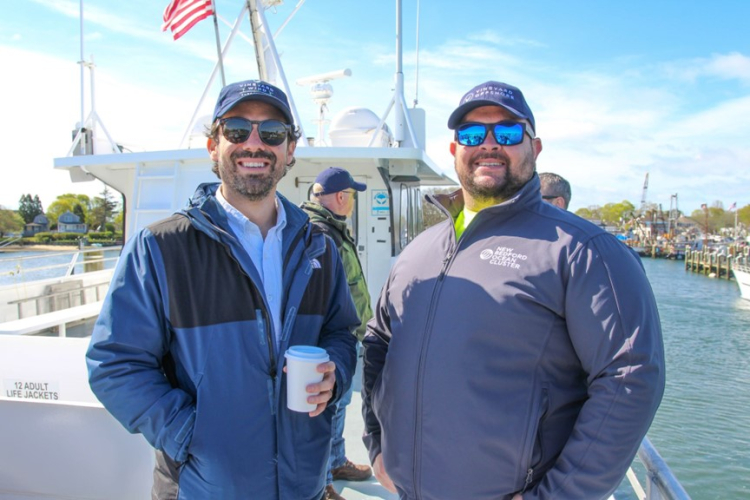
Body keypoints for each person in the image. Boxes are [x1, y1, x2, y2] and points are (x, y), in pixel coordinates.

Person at [361, 81, 665, 500]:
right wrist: (376, 443)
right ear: (455, 151)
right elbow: (379, 341)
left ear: (534, 148)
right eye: (471, 134)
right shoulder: (419, 250)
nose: (488, 144)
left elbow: (630, 377)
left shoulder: (584, 251)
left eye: (507, 132)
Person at [86, 79, 359, 499]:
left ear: (289, 151)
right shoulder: (160, 248)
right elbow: (114, 363)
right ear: (213, 146)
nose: (254, 143)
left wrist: (335, 374)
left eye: (272, 132)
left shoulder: (317, 246)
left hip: (303, 484)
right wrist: (189, 436)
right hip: (201, 488)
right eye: (236, 130)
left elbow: (340, 332)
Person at [301, 167, 374, 500]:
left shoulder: (328, 229)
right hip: (330, 340)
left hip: (341, 336)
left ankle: (336, 461)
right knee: (327, 410)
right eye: (352, 196)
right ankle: (323, 484)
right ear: (342, 197)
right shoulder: (321, 233)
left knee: (338, 406)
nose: (353, 202)